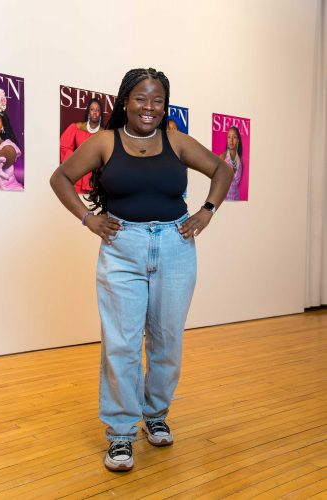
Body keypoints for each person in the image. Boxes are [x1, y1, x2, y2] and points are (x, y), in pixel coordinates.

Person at [50, 68, 234, 472]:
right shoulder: (104, 141)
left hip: (175, 246)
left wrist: (207, 211)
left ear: (164, 106)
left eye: (157, 101)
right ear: (125, 102)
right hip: (123, 247)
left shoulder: (176, 141)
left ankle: (155, 415)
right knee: (122, 343)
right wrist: (88, 219)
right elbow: (61, 177)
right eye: (140, 99)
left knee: (167, 341)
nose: (149, 108)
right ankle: (119, 434)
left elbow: (223, 169)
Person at [60, 97, 104, 194]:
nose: (95, 112)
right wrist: (76, 160)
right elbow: (64, 146)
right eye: (92, 109)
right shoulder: (77, 127)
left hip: (94, 178)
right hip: (78, 175)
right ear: (88, 112)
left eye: (98, 110)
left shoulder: (104, 134)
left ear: (100, 113)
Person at [220, 125, 243, 200]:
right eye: (229, 137)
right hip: (224, 201)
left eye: (234, 137)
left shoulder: (240, 161)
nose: (231, 140)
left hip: (236, 200)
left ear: (238, 140)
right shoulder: (222, 157)